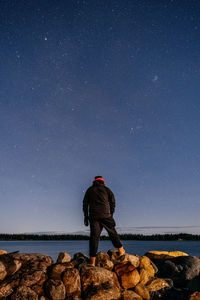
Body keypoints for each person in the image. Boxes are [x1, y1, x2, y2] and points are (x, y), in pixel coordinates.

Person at [83, 175, 125, 266]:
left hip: (93, 216)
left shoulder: (89, 190)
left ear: (94, 181)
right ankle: (121, 250)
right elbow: (113, 202)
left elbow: (85, 204)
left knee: (94, 237)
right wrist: (111, 213)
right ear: (103, 182)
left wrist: (86, 217)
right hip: (106, 214)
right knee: (112, 232)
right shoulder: (107, 189)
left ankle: (92, 261)